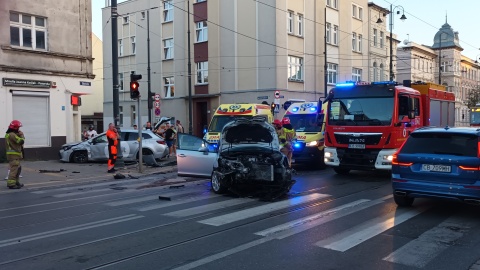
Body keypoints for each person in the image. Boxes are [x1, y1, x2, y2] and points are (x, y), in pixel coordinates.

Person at [5, 120, 25, 189]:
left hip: (14, 156)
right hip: (14, 156)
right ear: (15, 128)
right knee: (14, 170)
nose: (19, 129)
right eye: (18, 127)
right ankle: (11, 184)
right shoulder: (12, 135)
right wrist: (21, 135)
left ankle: (16, 182)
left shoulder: (10, 134)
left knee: (18, 169)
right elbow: (20, 141)